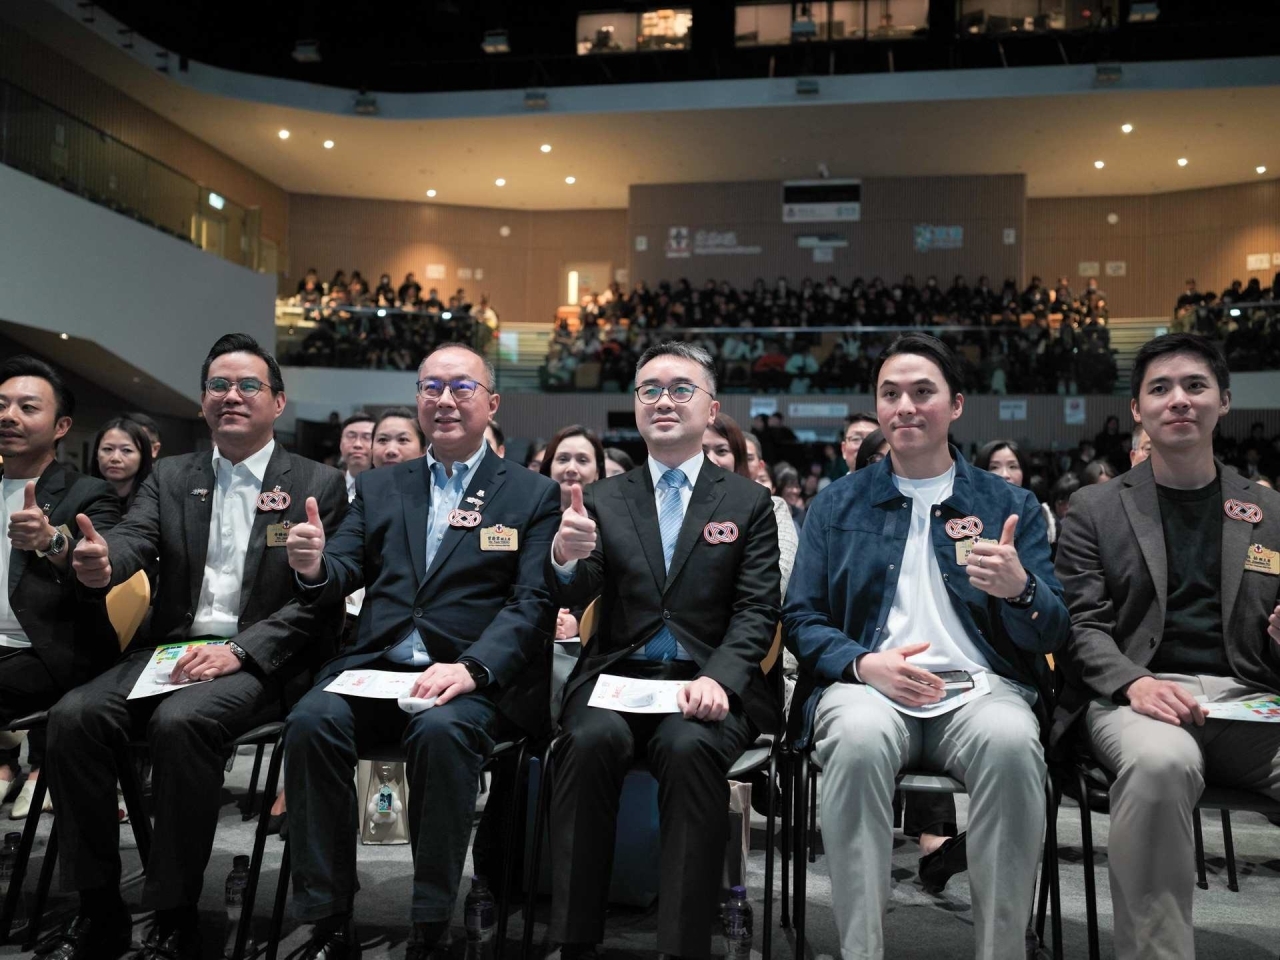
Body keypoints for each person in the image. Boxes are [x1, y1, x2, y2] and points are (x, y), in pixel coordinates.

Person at [53, 334, 347, 960]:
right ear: (202, 399)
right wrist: (102, 562)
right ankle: (99, 907)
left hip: (263, 659)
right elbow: (133, 539)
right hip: (173, 652)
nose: (231, 396)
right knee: (74, 717)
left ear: (278, 402)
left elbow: (317, 601)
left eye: (248, 386)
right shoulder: (171, 474)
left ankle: (174, 913)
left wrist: (239, 651)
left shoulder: (318, 482)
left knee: (181, 723)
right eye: (219, 385)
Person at [785, 333, 1068, 960]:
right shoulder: (836, 503)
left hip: (980, 694)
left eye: (922, 392)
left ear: (956, 404)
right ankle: (861, 951)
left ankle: (1001, 951)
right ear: (877, 407)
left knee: (1012, 743)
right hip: (868, 689)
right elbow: (801, 617)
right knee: (856, 740)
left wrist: (1021, 590)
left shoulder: (1008, 504)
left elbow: (1052, 630)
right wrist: (863, 663)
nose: (905, 406)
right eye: (891, 394)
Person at [281, 343, 561, 960]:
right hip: (378, 668)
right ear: (417, 400)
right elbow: (343, 567)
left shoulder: (531, 493)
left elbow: (532, 601)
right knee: (309, 721)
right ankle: (328, 915)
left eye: (461, 387)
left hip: (467, 679)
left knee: (440, 733)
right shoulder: (381, 485)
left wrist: (472, 667)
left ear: (492, 403)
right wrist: (313, 565)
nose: (445, 400)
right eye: (431, 387)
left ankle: (431, 924)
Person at [547, 341, 780, 960]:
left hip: (705, 683)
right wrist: (565, 557)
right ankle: (574, 941)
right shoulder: (603, 498)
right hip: (618, 678)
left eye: (681, 389)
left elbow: (758, 611)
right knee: (586, 742)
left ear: (711, 408)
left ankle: (681, 945)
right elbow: (576, 590)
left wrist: (721, 679)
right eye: (650, 390)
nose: (664, 401)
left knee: (687, 747)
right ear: (636, 406)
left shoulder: (747, 502)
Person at [1052, 333, 1280, 960]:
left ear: (1223, 401)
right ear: (1138, 408)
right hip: (1136, 697)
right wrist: (1134, 682)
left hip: (1249, 700)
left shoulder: (1268, 510)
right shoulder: (1095, 508)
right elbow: (1079, 626)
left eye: (1195, 386)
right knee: (1161, 764)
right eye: (1160, 388)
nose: (1178, 399)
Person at [0, 357, 121, 821]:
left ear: (61, 426)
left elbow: (96, 568)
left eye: (28, 407)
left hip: (45, 652)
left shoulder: (88, 494)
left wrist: (51, 541)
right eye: (1, 405)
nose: (9, 416)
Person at [90, 417, 154, 512]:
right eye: (108, 449)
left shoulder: (153, 501)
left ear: (143, 456)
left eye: (126, 450)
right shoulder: (84, 494)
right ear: (96, 454)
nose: (115, 458)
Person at [540, 425, 605, 512]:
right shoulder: (530, 516)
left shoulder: (611, 518)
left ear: (597, 472)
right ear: (549, 467)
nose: (571, 468)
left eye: (582, 460)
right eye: (563, 459)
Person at [339, 413, 376, 502]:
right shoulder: (326, 487)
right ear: (340, 444)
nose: (357, 444)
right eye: (351, 436)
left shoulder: (390, 489)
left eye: (367, 437)